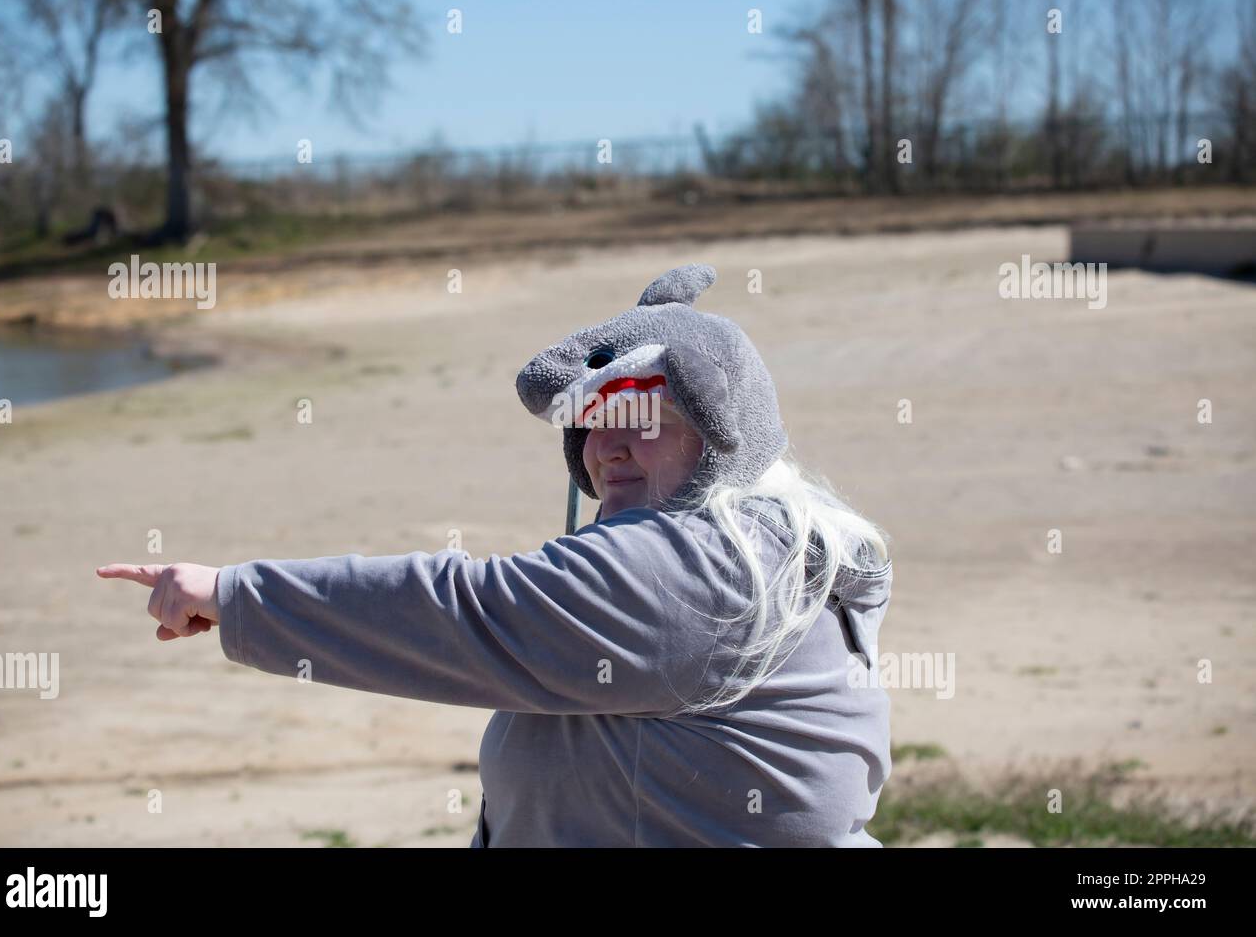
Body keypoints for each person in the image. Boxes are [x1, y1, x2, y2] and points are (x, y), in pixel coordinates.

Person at [97, 263, 893, 847]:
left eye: (643, 412)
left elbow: (463, 614)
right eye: (590, 417)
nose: (606, 447)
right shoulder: (762, 549)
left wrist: (236, 596)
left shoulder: (704, 573)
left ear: (722, 431)